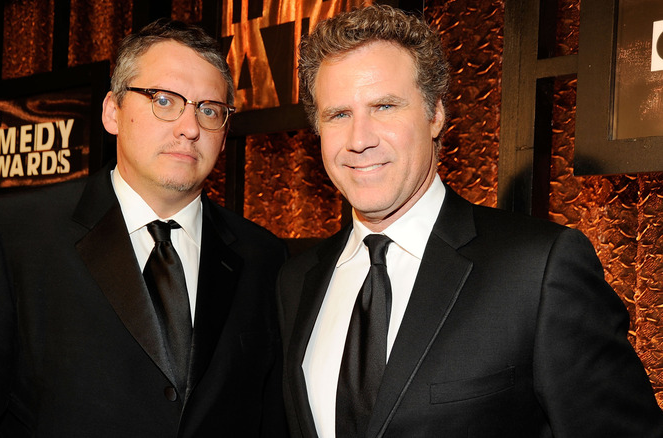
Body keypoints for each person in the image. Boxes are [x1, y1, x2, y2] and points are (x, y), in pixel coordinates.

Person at [276, 4, 663, 437]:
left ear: (436, 113)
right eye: (339, 114)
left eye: (384, 106)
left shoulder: (538, 269)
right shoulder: (296, 281)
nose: (360, 139)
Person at [0, 19, 287, 437]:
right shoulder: (15, 233)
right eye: (164, 100)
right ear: (113, 111)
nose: (189, 127)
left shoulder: (264, 257)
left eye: (209, 109)